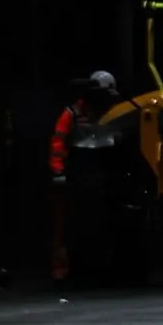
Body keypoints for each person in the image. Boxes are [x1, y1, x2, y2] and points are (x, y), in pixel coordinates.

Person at [46, 70, 124, 285]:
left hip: (105, 172)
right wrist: (58, 171)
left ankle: (106, 266)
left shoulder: (117, 113)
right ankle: (67, 269)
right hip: (78, 172)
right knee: (69, 224)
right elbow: (58, 144)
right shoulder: (71, 113)